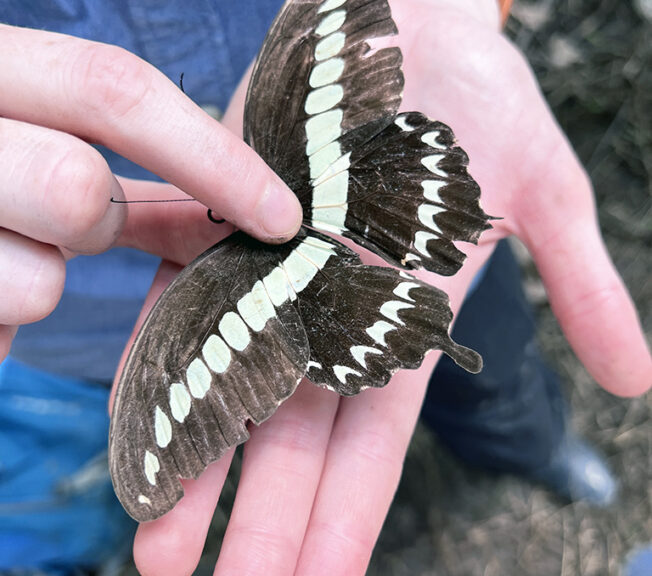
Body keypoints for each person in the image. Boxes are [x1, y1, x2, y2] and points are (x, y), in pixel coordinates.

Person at [0, 0, 650, 574]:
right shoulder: (183, 319)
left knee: (495, 365)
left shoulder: (277, 110)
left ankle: (531, 444)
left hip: (347, 190)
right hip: (82, 326)